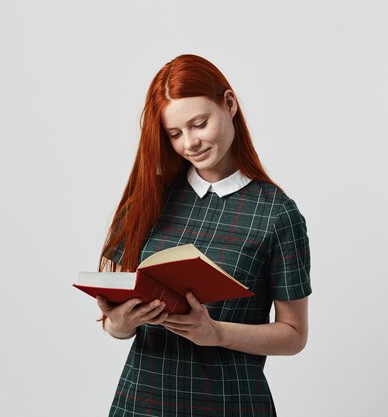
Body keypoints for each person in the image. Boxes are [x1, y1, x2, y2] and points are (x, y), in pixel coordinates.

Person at [95, 54, 312, 417]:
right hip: (142, 402)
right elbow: (112, 318)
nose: (190, 143)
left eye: (199, 124)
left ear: (229, 104)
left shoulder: (277, 214)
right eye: (175, 134)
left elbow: (294, 334)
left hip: (231, 404)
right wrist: (119, 323)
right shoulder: (150, 199)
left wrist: (217, 333)